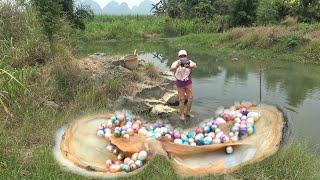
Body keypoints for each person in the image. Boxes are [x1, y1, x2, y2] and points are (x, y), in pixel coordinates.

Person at [170, 50, 197, 120]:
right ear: (178, 57)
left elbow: (195, 65)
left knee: (190, 98)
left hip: (188, 82)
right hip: (180, 83)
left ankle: (188, 112)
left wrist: (189, 66)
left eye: (184, 56)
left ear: (186, 56)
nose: (182, 57)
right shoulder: (176, 62)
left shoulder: (189, 61)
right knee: (181, 100)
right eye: (181, 56)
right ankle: (182, 114)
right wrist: (177, 65)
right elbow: (171, 69)